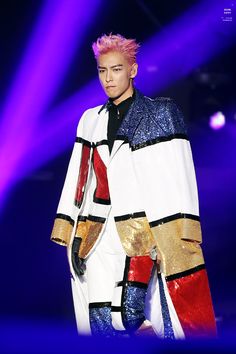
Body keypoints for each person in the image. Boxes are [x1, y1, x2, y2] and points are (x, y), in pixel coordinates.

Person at [51, 33, 217, 338]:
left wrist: (177, 238)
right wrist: (71, 229)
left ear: (133, 70)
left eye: (116, 69)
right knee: (101, 321)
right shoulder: (90, 120)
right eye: (103, 70)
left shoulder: (160, 113)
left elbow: (177, 176)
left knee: (131, 313)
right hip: (97, 237)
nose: (108, 79)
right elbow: (79, 178)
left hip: (142, 233)